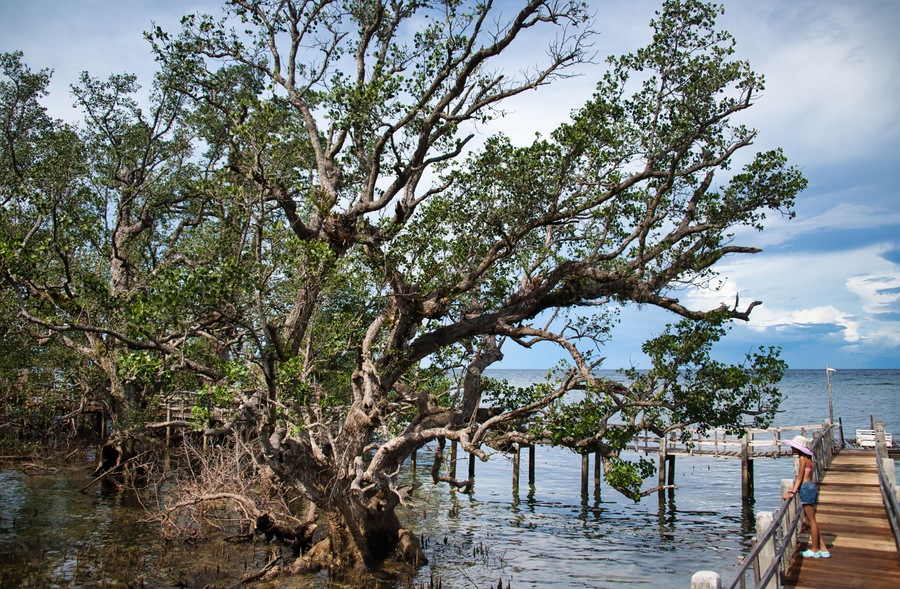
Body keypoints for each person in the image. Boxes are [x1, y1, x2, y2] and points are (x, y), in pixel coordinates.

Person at [783, 435, 830, 558]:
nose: (791, 447)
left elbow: (799, 477)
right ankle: (823, 549)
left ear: (799, 448)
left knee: (812, 521)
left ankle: (814, 550)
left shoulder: (802, 459)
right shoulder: (809, 459)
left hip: (805, 488)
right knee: (809, 520)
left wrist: (793, 491)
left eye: (793, 446)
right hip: (811, 487)